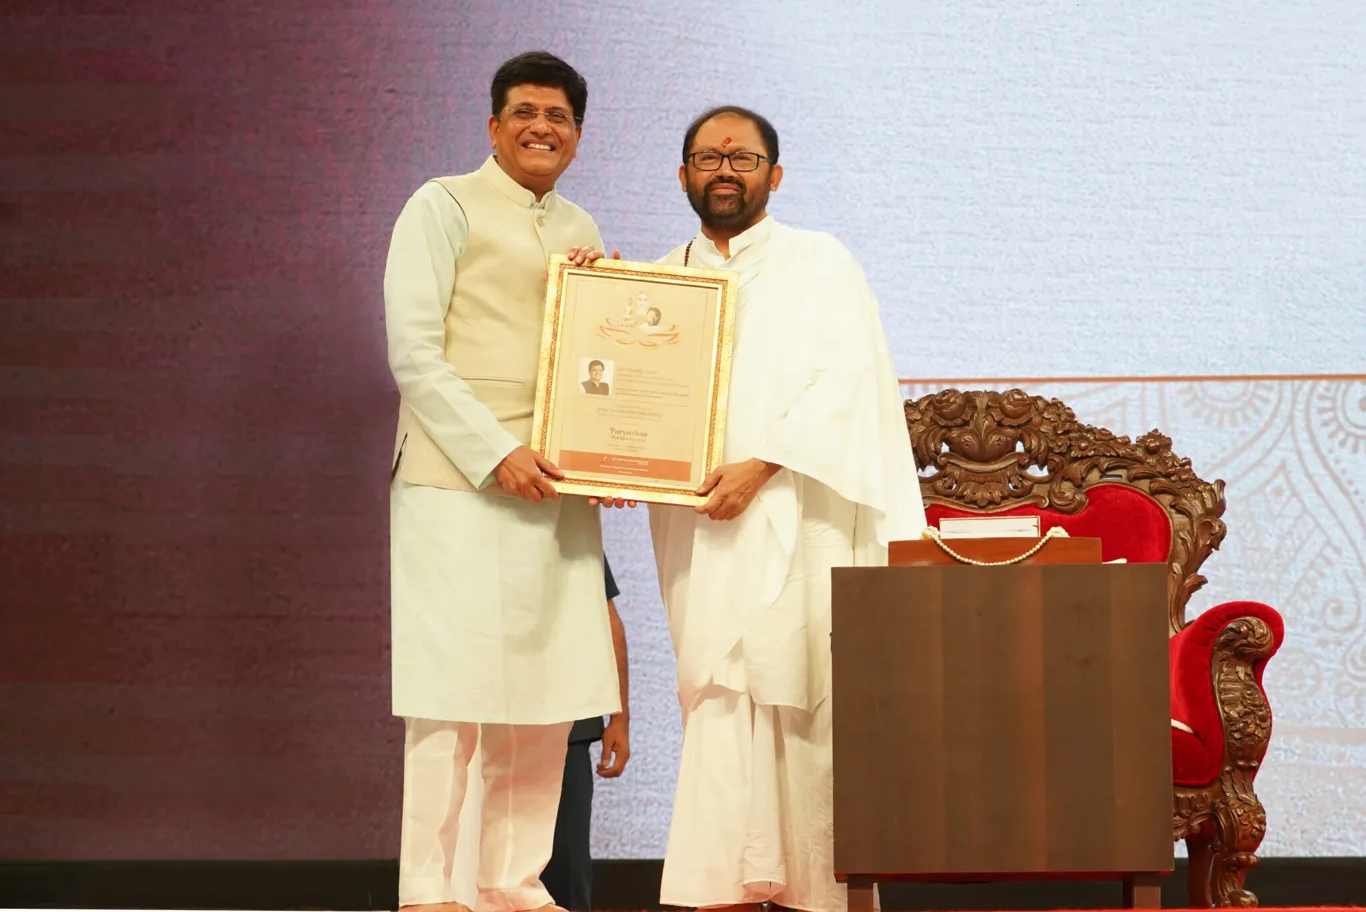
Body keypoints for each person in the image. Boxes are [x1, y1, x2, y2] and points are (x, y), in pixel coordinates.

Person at [646, 106, 927, 912]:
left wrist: (761, 466)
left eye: (742, 158)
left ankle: (819, 896)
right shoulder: (660, 282)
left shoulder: (821, 263)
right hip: (705, 528)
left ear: (775, 173)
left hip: (803, 518)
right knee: (720, 696)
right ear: (683, 174)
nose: (724, 171)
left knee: (808, 698)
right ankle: (721, 892)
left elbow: (845, 381)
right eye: (708, 157)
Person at [383, 50, 620, 912]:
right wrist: (495, 453)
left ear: (578, 136)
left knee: (547, 695)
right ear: (492, 126)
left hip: (555, 486)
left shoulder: (580, 226)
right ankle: (432, 890)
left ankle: (510, 883)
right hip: (459, 482)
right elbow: (414, 354)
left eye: (558, 116)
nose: (540, 128)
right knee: (452, 693)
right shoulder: (440, 204)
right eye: (524, 112)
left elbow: (598, 361)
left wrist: (617, 455)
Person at [542, 556, 631, 912]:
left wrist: (619, 717)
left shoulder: (576, 534)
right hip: (495, 725)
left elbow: (607, 618)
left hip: (568, 728)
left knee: (566, 874)